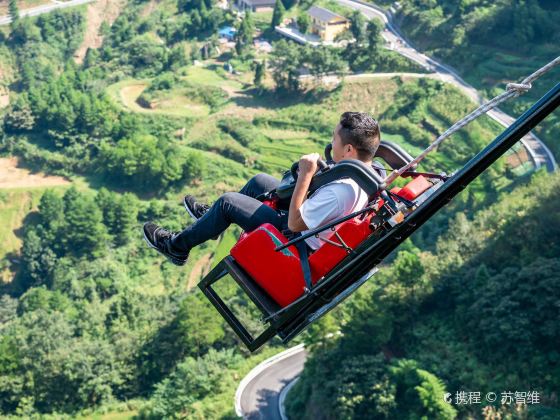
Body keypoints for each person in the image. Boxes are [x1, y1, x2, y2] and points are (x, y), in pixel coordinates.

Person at [143, 112, 381, 266]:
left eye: (335, 139)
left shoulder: (341, 191)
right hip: (313, 223)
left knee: (228, 202)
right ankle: (210, 221)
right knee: (260, 181)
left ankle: (176, 247)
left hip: (297, 239)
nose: (332, 143)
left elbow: (295, 224)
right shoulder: (367, 173)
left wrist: (305, 176)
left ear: (349, 149)